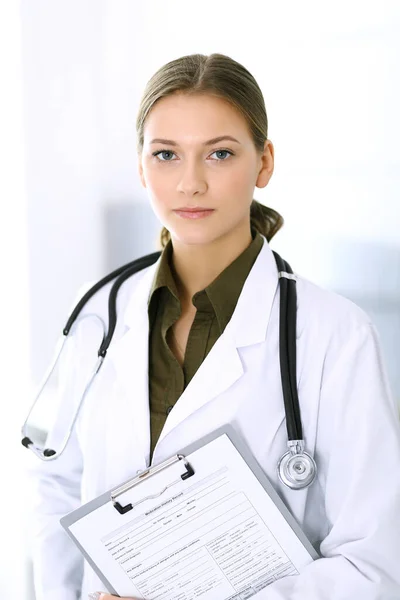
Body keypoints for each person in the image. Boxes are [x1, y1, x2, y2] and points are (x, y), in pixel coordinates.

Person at [31, 53, 400, 600]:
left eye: (220, 153)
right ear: (141, 167)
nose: (190, 183)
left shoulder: (334, 336)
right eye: (166, 155)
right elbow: (56, 487)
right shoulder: (99, 320)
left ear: (264, 162)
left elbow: (374, 566)